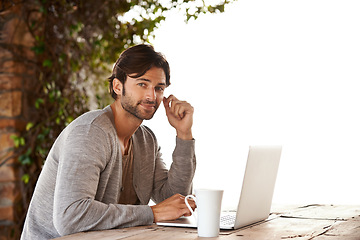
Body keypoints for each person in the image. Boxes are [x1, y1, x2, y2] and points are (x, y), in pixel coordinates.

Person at [21, 44, 196, 239]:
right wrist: (152, 213)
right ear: (117, 86)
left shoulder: (146, 140)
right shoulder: (90, 133)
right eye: (142, 84)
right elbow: (70, 217)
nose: (151, 96)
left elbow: (175, 202)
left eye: (159, 88)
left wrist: (184, 134)